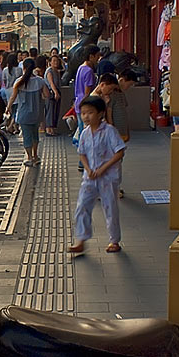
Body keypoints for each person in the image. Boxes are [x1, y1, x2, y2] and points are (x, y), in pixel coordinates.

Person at [68, 95, 126, 255]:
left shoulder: (109, 131)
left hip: (108, 177)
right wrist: (88, 169)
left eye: (90, 113)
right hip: (90, 177)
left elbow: (119, 152)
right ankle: (80, 240)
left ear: (100, 113)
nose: (86, 116)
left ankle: (114, 240)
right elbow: (82, 153)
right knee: (82, 206)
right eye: (83, 113)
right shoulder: (85, 133)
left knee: (110, 208)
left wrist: (102, 169)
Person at [6, 57, 48, 166]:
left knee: (27, 136)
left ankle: (29, 158)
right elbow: (46, 95)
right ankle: (35, 156)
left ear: (23, 67)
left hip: (24, 113)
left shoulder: (19, 81)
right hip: (37, 113)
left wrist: (8, 107)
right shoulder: (40, 81)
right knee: (35, 135)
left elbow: (13, 97)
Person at [73, 45, 101, 162]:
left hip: (78, 103)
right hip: (85, 104)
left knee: (82, 132)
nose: (98, 59)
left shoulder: (81, 68)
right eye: (97, 56)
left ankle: (82, 160)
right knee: (86, 134)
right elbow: (87, 92)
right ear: (91, 56)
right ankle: (83, 161)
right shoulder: (89, 71)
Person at [44, 54, 62, 135]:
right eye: (54, 61)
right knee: (50, 110)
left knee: (55, 111)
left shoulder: (57, 72)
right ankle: (48, 129)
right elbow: (51, 83)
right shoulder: (49, 71)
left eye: (57, 61)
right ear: (50, 62)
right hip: (51, 93)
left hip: (56, 92)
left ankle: (53, 129)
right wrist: (55, 92)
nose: (56, 62)